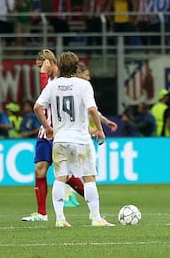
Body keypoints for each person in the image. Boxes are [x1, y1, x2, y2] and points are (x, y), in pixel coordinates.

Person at [33, 51, 114, 227]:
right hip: (80, 139)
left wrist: (47, 127)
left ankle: (60, 219)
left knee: (60, 178)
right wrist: (100, 130)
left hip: (60, 139)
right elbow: (92, 110)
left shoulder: (53, 86)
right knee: (89, 177)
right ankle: (95, 217)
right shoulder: (83, 85)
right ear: (76, 66)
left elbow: (37, 106)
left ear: (60, 66)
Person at [22, 49, 86, 222]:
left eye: (41, 67)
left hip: (59, 132)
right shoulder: (51, 79)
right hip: (45, 132)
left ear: (49, 63)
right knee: (40, 169)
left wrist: (44, 74)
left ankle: (91, 199)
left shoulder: (61, 81)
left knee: (66, 174)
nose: (40, 70)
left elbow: (47, 96)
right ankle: (42, 213)